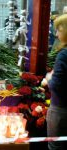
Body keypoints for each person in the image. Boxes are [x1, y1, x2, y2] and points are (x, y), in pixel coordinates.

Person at [44, 14, 67, 150]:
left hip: (61, 110)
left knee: (56, 146)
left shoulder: (64, 55)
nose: (56, 34)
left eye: (58, 30)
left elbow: (56, 86)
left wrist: (49, 78)